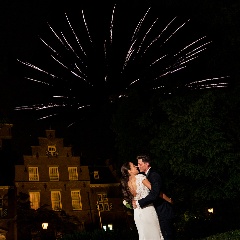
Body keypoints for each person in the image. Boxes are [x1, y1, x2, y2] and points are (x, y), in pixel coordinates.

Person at [132, 155, 175, 240]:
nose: (138, 166)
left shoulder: (154, 175)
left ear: (147, 164)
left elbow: (155, 194)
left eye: (140, 164)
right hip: (156, 211)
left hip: (163, 211)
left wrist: (139, 202)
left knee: (167, 236)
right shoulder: (146, 176)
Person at [121, 162, 164, 240]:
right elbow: (154, 191)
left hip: (137, 212)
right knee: (155, 233)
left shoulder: (127, 183)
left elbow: (128, 200)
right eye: (134, 166)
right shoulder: (140, 177)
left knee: (144, 235)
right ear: (129, 171)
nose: (136, 166)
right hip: (147, 209)